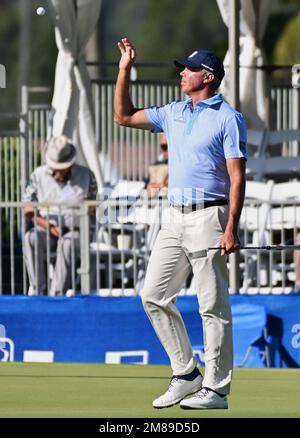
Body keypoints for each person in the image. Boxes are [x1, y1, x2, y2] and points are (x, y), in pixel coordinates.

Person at [114, 38, 247, 410]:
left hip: (210, 215)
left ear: (207, 77)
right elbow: (123, 116)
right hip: (174, 216)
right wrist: (124, 70)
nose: (181, 73)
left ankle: (217, 390)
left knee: (212, 306)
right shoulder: (173, 112)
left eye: (187, 69)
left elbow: (238, 177)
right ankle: (187, 373)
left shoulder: (228, 118)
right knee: (153, 295)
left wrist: (231, 226)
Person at [23, 135, 97, 296]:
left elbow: (94, 209)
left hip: (76, 231)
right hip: (45, 228)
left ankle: (57, 295)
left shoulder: (87, 175)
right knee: (30, 238)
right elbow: (28, 209)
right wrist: (49, 226)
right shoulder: (37, 176)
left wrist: (86, 208)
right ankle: (38, 291)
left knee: (67, 243)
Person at [146, 133, 169, 199]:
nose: (167, 150)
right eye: (164, 147)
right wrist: (149, 188)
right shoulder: (157, 165)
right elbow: (146, 187)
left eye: (170, 146)